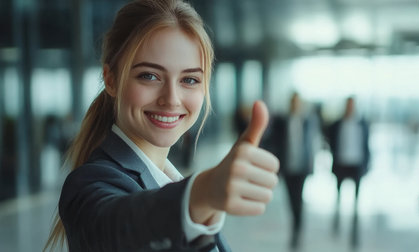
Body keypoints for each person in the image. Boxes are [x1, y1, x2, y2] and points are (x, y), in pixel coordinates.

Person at [44, 0, 279, 251]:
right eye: (150, 76)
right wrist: (201, 193)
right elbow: (117, 230)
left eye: (189, 79)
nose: (171, 99)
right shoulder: (88, 184)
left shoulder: (172, 182)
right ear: (111, 80)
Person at [326, 96, 370, 248]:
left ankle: (354, 229)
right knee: (338, 194)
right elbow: (331, 141)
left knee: (356, 199)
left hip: (356, 164)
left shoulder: (362, 124)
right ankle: (337, 222)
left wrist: (367, 165)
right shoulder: (337, 124)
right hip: (341, 163)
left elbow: (366, 145)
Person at [279, 93, 320, 249]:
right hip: (288, 167)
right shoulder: (283, 121)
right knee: (291, 199)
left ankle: (298, 229)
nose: (296, 105)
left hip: (302, 167)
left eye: (298, 103)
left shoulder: (308, 121)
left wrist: (312, 166)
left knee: (299, 199)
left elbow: (312, 144)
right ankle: (295, 224)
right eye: (293, 102)